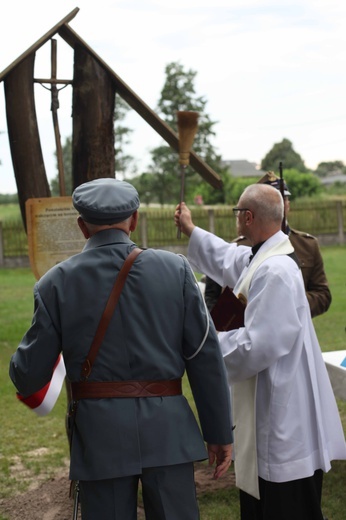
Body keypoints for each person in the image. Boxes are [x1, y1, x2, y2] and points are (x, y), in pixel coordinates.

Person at [9, 178, 233, 520]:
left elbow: (27, 376)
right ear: (135, 220)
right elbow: (205, 355)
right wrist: (217, 432)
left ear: (82, 227)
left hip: (101, 437)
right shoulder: (176, 270)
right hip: (168, 432)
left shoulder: (55, 283)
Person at [174, 184, 346, 520]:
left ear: (248, 217)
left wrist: (203, 345)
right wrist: (192, 230)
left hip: (283, 417)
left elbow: (257, 346)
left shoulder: (275, 270)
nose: (236, 219)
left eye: (238, 213)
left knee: (285, 506)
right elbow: (226, 258)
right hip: (273, 407)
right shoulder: (264, 257)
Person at [204, 171, 332, 318]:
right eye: (273, 199)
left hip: (297, 329)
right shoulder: (240, 246)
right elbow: (213, 295)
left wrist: (289, 305)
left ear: (288, 204)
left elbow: (323, 294)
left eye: (284, 198)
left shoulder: (308, 245)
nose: (281, 203)